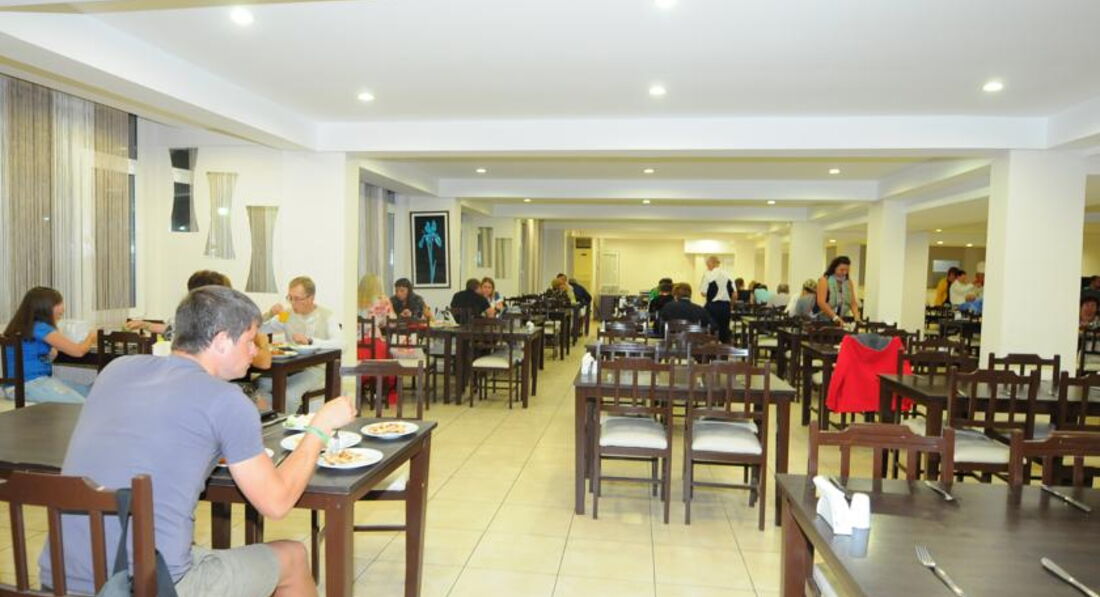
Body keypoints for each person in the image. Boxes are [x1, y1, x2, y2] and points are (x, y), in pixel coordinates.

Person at [39, 285, 358, 596]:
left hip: (60, 579)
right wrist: (319, 429)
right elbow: (276, 503)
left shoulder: (117, 369)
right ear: (221, 340)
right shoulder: (227, 400)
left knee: (192, 549)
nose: (255, 351)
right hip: (151, 586)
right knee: (293, 557)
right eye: (250, 340)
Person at [127, 270, 271, 372]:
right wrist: (263, 343)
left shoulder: (187, 321)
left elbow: (171, 329)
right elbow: (265, 363)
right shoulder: (232, 326)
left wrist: (146, 325)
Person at [259, 276, 343, 414]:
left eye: (297, 299)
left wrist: (311, 341)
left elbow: (341, 344)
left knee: (290, 395)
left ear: (311, 298)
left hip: (316, 369)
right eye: (290, 298)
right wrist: (270, 314)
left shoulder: (326, 315)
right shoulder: (286, 314)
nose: (293, 303)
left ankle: (285, 424)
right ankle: (272, 419)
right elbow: (260, 330)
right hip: (289, 368)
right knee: (260, 386)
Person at [2, 287, 95, 404]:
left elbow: (50, 355)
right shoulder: (41, 327)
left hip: (19, 386)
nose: (63, 308)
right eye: (58, 304)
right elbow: (78, 351)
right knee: (86, 405)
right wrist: (91, 337)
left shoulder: (23, 326)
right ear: (44, 307)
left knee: (89, 392)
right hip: (31, 385)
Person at [699, 255, 734, 342]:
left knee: (711, 329)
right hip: (725, 306)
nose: (707, 267)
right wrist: (731, 305)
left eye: (708, 264)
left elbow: (703, 293)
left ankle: (712, 348)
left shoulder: (708, 274)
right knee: (724, 330)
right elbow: (735, 294)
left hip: (712, 306)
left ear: (712, 263)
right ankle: (724, 348)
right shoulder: (728, 274)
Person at [817, 256, 861, 324]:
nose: (844, 273)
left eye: (847, 270)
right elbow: (821, 303)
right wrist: (835, 318)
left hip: (842, 318)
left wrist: (856, 317)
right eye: (842, 270)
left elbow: (853, 302)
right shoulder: (824, 280)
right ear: (834, 268)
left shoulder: (848, 282)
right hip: (825, 320)